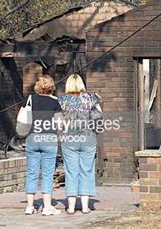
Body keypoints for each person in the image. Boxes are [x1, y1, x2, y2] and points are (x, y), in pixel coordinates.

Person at [58, 74, 101, 215]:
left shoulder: (62, 100)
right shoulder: (91, 98)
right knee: (87, 171)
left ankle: (70, 207)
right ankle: (85, 207)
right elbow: (99, 115)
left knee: (71, 172)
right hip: (88, 138)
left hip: (69, 139)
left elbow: (58, 121)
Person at [24, 75, 62, 216]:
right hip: (48, 138)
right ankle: (47, 207)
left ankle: (29, 206)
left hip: (32, 138)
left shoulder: (30, 100)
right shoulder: (55, 102)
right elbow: (59, 123)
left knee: (31, 173)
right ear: (51, 86)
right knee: (47, 174)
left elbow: (26, 120)